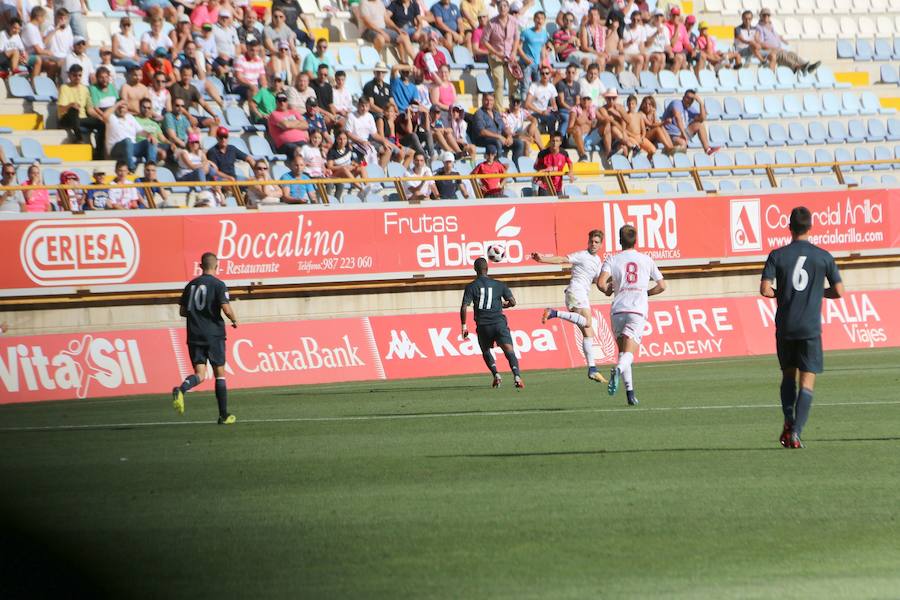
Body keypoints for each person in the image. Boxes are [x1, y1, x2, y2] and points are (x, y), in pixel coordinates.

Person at [760, 206, 844, 449]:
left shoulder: (777, 255)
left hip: (785, 326)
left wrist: (783, 294)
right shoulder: (824, 256)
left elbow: (765, 289)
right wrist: (818, 293)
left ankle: (788, 420)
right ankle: (796, 432)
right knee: (807, 381)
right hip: (810, 327)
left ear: (789, 227)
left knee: (788, 375)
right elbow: (839, 291)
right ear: (810, 227)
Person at [596, 224, 666, 406]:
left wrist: (607, 290)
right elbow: (662, 286)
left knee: (623, 352)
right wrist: (646, 294)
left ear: (620, 241)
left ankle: (630, 393)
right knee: (628, 354)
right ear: (636, 240)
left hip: (618, 310)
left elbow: (601, 283)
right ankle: (618, 370)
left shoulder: (612, 259)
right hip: (637, 310)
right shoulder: (646, 260)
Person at [532, 229, 608, 383]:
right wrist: (542, 259)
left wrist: (611, 287)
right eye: (591, 241)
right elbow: (562, 259)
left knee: (589, 332)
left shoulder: (598, 261)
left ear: (600, 245)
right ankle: (553, 313)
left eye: (596, 242)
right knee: (587, 322)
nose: (593, 244)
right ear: (588, 242)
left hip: (583, 295)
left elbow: (599, 282)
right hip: (575, 292)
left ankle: (592, 369)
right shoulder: (582, 255)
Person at [172, 251, 238, 425]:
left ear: (200, 266)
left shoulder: (190, 285)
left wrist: (197, 314)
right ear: (216, 266)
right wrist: (234, 319)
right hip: (213, 335)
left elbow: (182, 311)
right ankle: (223, 415)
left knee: (200, 375)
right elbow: (226, 308)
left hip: (194, 334)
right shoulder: (219, 285)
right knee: (219, 375)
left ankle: (181, 389)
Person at [460, 257, 523, 388]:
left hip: (483, 325)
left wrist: (464, 326)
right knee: (508, 349)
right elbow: (512, 302)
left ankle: (496, 374)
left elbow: (464, 306)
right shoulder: (499, 285)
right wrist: (501, 305)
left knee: (486, 350)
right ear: (487, 269)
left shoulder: (471, 286)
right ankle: (517, 376)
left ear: (474, 270)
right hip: (498, 323)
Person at [755, 7, 819, 75]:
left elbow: (776, 35)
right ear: (760, 16)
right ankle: (797, 67)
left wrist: (782, 39)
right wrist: (773, 48)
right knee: (782, 55)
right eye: (764, 15)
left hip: (777, 49)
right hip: (768, 51)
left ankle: (807, 66)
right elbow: (759, 42)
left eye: (768, 15)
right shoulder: (759, 28)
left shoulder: (770, 25)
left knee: (792, 54)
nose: (766, 17)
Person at [481, 0, 519, 110]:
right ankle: (499, 109)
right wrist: (496, 53)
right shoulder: (491, 22)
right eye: (500, 6)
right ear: (497, 8)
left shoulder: (513, 21)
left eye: (504, 6)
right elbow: (484, 41)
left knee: (513, 83)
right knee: (499, 82)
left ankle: (513, 107)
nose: (502, 8)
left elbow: (516, 38)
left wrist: (514, 52)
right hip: (495, 56)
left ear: (508, 8)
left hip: (510, 57)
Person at [661, 88, 718, 155]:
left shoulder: (690, 109)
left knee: (699, 125)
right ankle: (680, 163)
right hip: (671, 134)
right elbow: (677, 117)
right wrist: (683, 133)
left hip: (681, 134)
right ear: (683, 97)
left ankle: (707, 149)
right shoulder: (677, 103)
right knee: (683, 143)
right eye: (687, 98)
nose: (689, 100)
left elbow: (702, 118)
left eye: (691, 99)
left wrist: (700, 103)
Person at [472, 93, 525, 164]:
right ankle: (499, 167)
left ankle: (517, 168)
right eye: (486, 100)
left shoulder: (496, 113)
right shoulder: (479, 114)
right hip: (484, 140)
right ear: (482, 100)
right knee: (497, 142)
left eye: (491, 100)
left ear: (494, 101)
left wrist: (509, 136)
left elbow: (504, 128)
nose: (489, 102)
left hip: (499, 139)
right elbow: (482, 132)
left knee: (519, 143)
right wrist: (499, 137)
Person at [106, 100, 158, 172]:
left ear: (127, 109)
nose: (121, 109)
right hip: (116, 148)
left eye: (123, 107)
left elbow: (140, 131)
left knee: (149, 142)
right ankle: (131, 168)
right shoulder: (111, 117)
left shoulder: (130, 117)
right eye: (119, 107)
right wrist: (117, 104)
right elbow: (104, 116)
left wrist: (149, 135)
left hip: (132, 147)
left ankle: (150, 168)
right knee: (127, 141)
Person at [268, 92, 309, 157]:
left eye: (284, 100)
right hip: (284, 144)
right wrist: (298, 122)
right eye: (280, 101)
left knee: (310, 151)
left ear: (287, 102)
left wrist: (290, 124)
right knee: (299, 151)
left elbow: (306, 125)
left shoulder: (294, 112)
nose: (282, 103)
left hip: (301, 141)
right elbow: (285, 125)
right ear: (276, 102)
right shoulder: (274, 114)